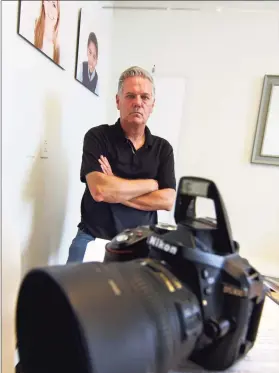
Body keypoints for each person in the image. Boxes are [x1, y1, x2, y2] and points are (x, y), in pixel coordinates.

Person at [66, 66, 176, 264]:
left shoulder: (163, 149)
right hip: (94, 239)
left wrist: (115, 190)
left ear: (152, 105)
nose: (138, 103)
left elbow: (167, 201)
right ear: (118, 101)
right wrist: (151, 184)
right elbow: (100, 191)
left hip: (142, 244)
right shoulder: (97, 137)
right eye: (130, 96)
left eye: (144, 97)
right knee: (72, 294)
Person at [34, 0, 60, 64]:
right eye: (48, 1)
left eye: (54, 5)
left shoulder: (56, 48)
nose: (50, 8)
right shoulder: (32, 30)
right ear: (43, 2)